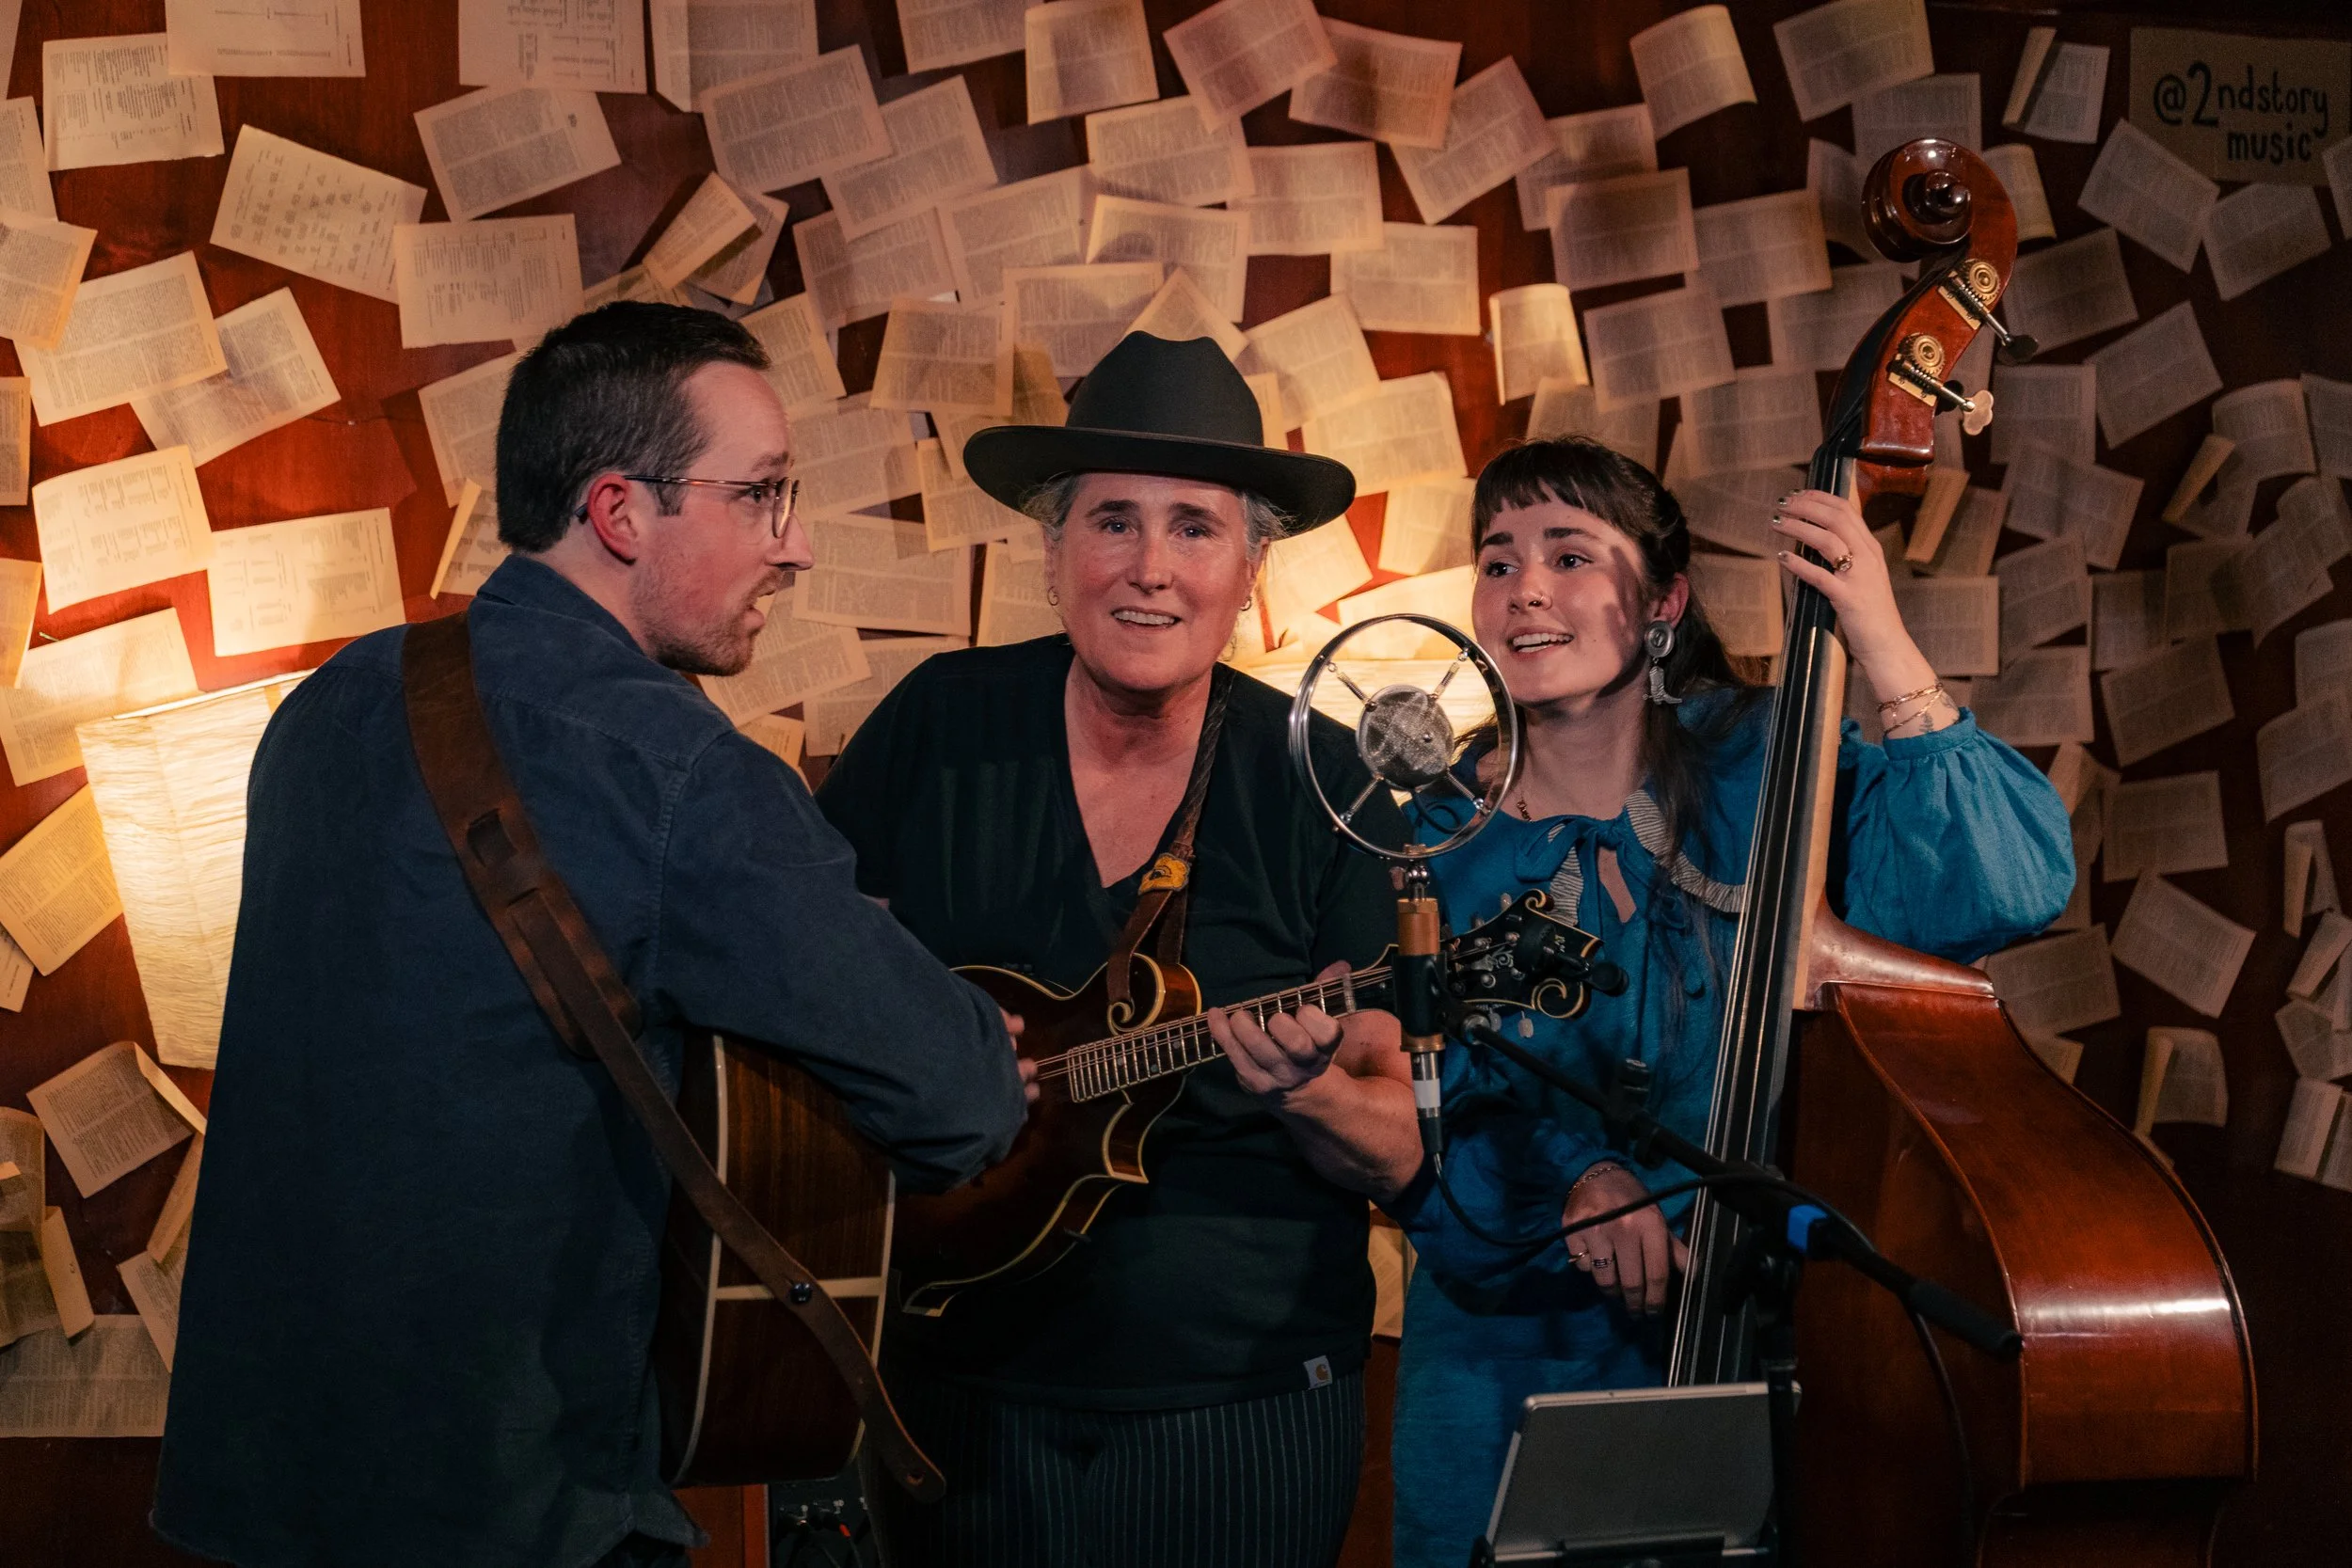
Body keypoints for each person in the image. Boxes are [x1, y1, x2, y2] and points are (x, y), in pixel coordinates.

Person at [153, 303, 1032, 1568]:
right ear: (622, 512)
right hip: (515, 1507)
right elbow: (957, 1098)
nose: (791, 547)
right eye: (761, 496)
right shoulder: (678, 771)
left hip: (261, 1490)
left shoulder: (328, 703)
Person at [1386, 438, 2074, 1568]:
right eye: (1496, 560)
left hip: (1767, 1338)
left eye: (1569, 554)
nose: (1525, 589)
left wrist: (1875, 632)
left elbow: (1998, 885)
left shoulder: (1765, 756)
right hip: (1507, 1360)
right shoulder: (1428, 833)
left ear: (1662, 601)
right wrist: (1578, 1175)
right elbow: (1423, 1105)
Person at [816, 331, 1422, 1568]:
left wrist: (1302, 1083)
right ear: (1052, 554)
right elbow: (808, 983)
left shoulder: (1329, 776)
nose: (1150, 568)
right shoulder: (941, 723)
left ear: (1251, 566)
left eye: (1196, 527)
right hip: (955, 1384)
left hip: (1241, 1403)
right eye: (1111, 521)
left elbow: (1402, 1142)